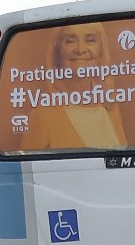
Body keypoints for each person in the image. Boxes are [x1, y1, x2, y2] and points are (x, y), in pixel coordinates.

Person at [20, 23, 128, 151]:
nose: (80, 49)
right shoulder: (41, 116)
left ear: (101, 50)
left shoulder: (110, 108)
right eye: (70, 41)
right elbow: (26, 168)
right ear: (57, 52)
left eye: (90, 40)